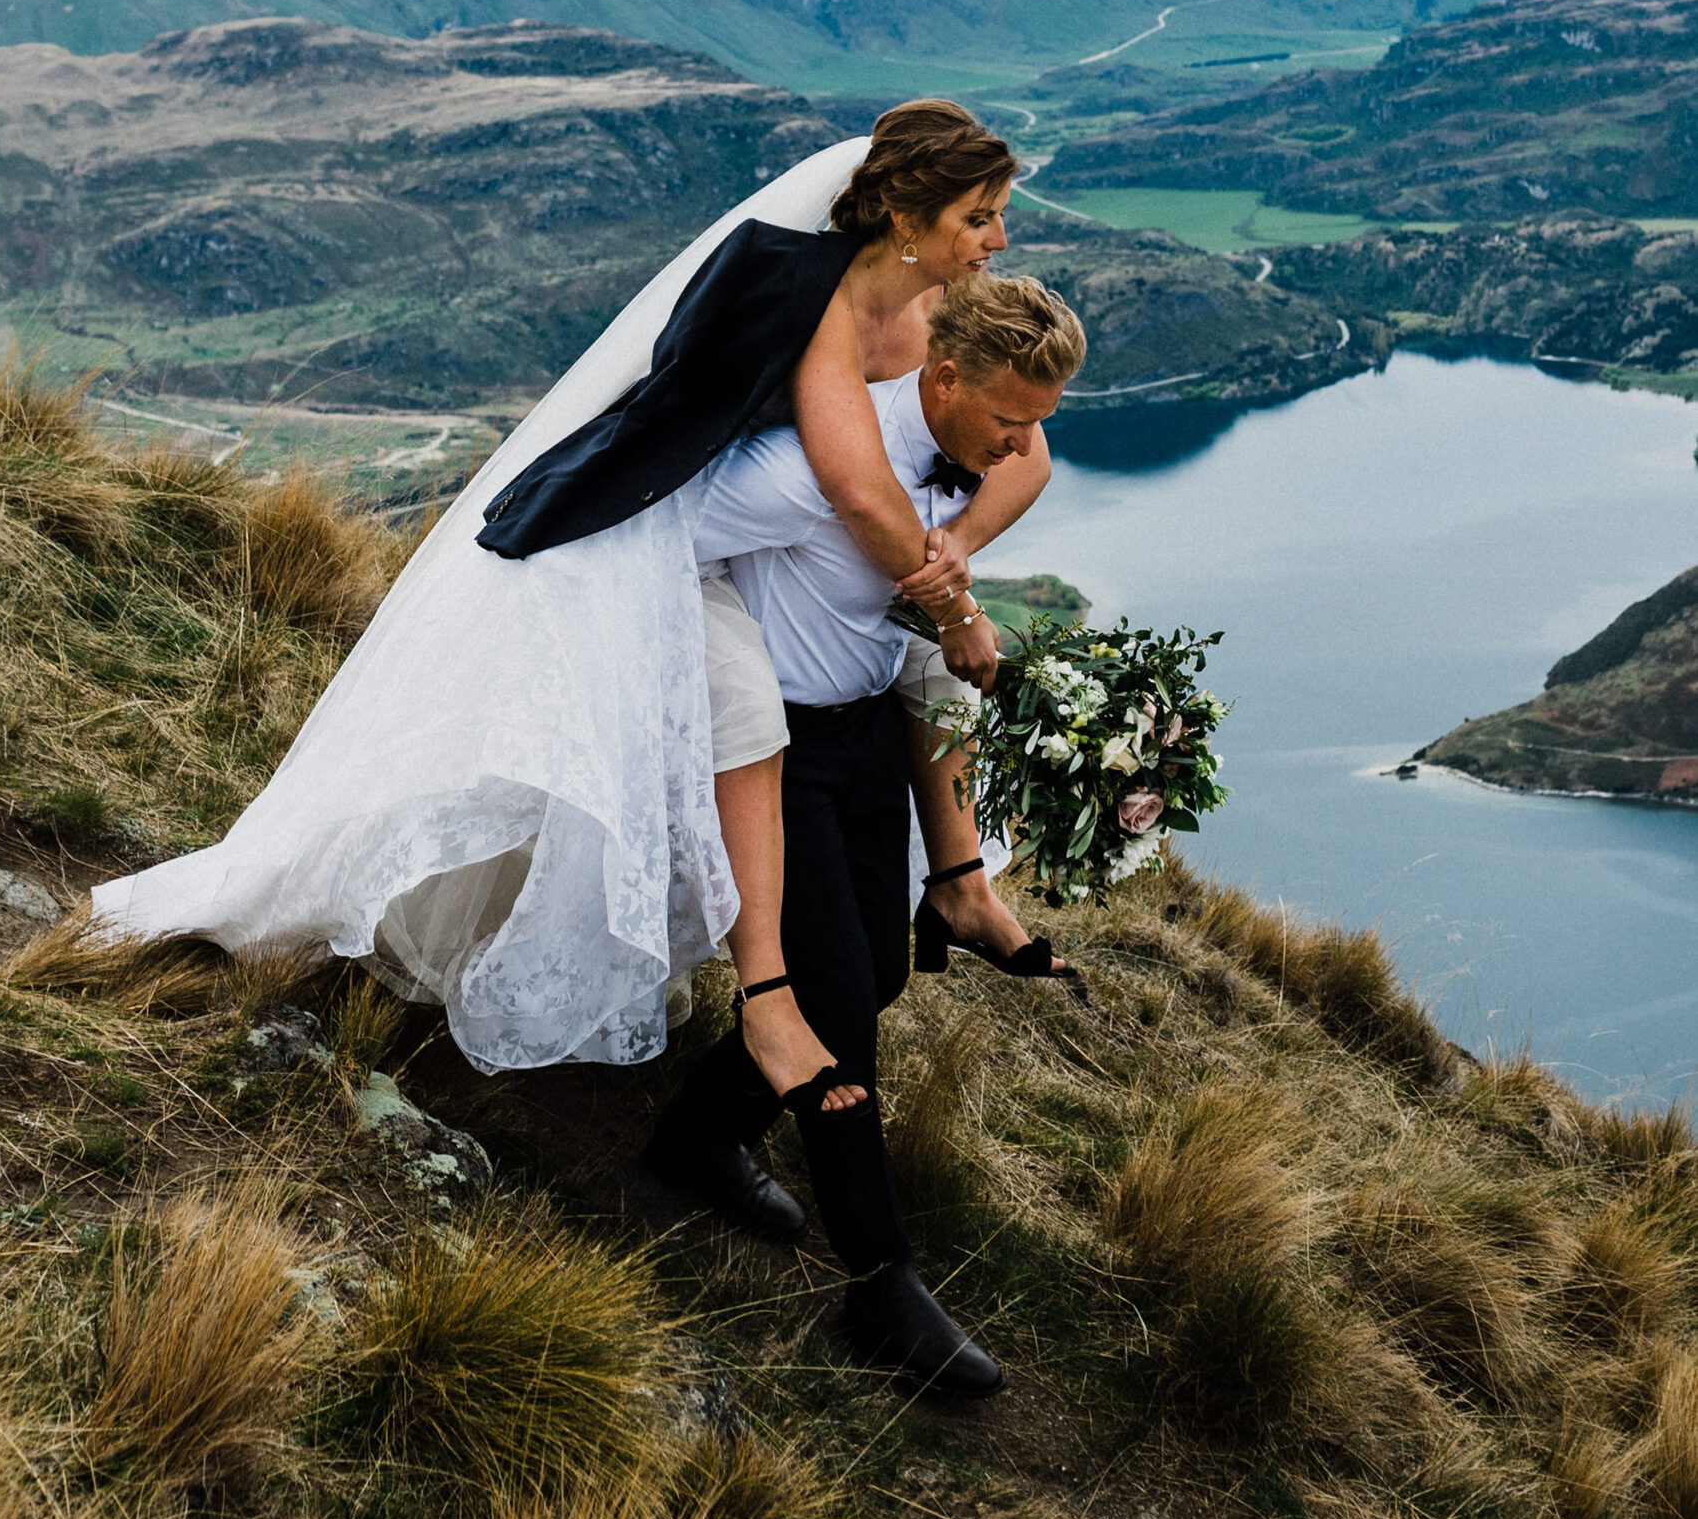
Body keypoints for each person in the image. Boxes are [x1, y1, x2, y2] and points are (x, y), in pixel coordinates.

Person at [92, 108, 1058, 1083]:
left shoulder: (950, 312)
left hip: (747, 558)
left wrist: (955, 544)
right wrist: (954, 605)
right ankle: (766, 994)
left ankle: (946, 889)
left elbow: (1026, 446)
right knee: (747, 719)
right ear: (905, 214)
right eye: (980, 215)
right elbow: (854, 485)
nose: (1001, 238)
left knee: (892, 688)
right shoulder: (809, 292)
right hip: (648, 538)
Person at [647, 273, 1089, 1397]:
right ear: (943, 379)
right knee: (835, 997)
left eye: (1040, 421)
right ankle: (881, 1282)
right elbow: (661, 534)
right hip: (774, 753)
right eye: (1011, 421)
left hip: (860, 740)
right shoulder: (807, 472)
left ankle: (697, 1137)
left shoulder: (963, 457)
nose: (1026, 446)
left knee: (883, 969)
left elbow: (983, 513)